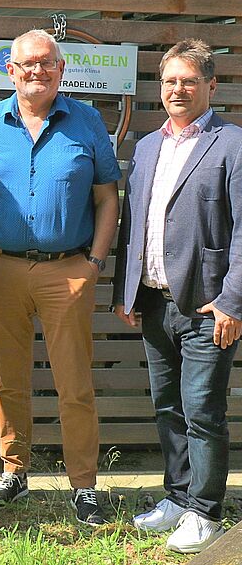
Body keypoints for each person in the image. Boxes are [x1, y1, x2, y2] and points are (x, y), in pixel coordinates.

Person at [0, 29, 120, 525]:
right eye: (27, 63)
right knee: (9, 379)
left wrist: (94, 263)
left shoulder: (87, 120)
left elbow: (107, 197)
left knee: (74, 383)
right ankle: (14, 470)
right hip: (0, 267)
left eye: (47, 63)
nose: (37, 71)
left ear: (61, 69)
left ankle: (84, 484)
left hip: (68, 270)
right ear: (10, 69)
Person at [113, 39, 241, 554]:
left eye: (189, 81)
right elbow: (133, 224)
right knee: (167, 407)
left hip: (208, 306)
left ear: (211, 85)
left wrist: (233, 301)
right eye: (170, 81)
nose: (178, 90)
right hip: (154, 301)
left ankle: (206, 512)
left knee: (203, 411)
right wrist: (126, 291)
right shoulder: (147, 147)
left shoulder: (232, 144)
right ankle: (178, 496)